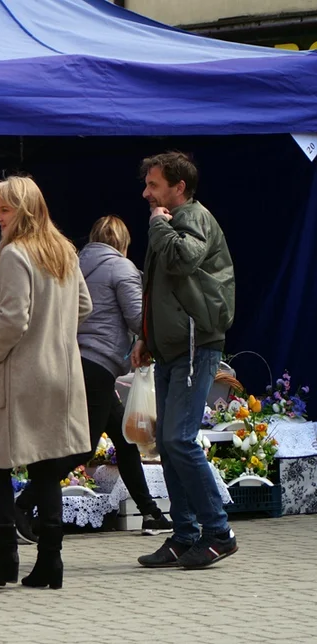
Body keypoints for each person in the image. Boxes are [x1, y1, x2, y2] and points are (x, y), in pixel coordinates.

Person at [0, 175, 91, 590]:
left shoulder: (14, 255)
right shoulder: (63, 250)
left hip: (16, 375)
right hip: (58, 375)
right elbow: (84, 305)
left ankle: (5, 561)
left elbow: (14, 318)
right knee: (46, 470)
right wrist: (56, 334)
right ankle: (51, 562)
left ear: (24, 211)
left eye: (4, 209)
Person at [14, 216, 171, 539]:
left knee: (123, 439)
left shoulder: (71, 263)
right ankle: (21, 506)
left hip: (70, 361)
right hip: (98, 366)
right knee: (82, 448)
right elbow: (137, 318)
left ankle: (150, 513)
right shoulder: (122, 268)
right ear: (123, 244)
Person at [132, 151, 237, 570]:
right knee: (170, 445)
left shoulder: (193, 217)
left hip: (196, 346)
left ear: (179, 187)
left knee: (178, 440)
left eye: (154, 185)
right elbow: (158, 287)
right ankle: (184, 535)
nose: (146, 193)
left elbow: (182, 260)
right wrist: (145, 337)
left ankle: (218, 532)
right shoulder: (173, 221)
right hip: (172, 347)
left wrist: (158, 223)